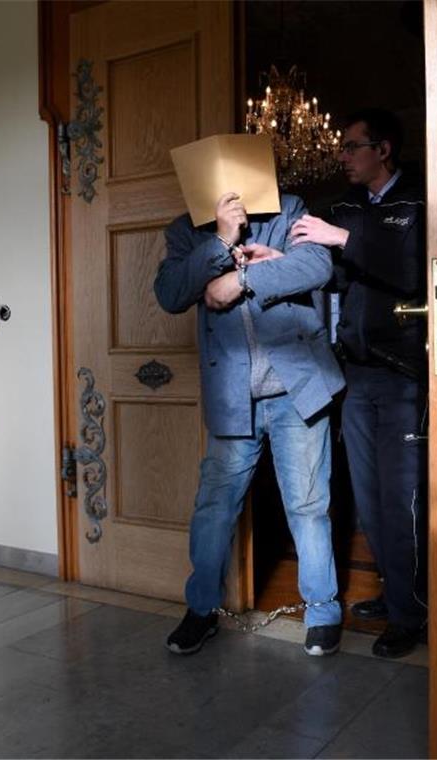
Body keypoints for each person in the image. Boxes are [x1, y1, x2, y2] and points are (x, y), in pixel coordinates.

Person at [155, 188, 346, 657]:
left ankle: (323, 613)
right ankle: (201, 611)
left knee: (306, 506)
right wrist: (221, 242)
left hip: (296, 392)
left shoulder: (291, 210)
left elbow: (316, 267)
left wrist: (240, 278)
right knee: (214, 509)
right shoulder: (185, 231)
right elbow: (170, 292)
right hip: (232, 399)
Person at [288, 108, 428, 659]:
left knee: (403, 500)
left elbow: (415, 272)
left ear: (383, 149)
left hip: (405, 378)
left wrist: (341, 237)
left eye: (351, 147)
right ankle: (396, 594)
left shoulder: (416, 205)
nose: (342, 156)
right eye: (342, 149)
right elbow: (334, 275)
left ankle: (409, 614)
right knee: (368, 499)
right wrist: (285, 258)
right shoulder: (344, 209)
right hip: (356, 373)